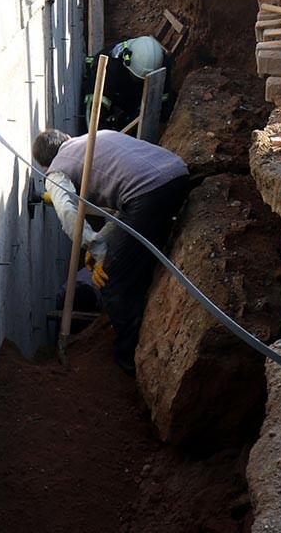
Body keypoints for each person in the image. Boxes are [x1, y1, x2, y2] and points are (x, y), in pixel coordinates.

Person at [32, 127, 190, 371]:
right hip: (177, 174)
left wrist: (97, 250)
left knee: (113, 279)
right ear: (66, 138)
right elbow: (124, 212)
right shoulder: (98, 135)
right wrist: (101, 240)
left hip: (148, 194)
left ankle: (127, 361)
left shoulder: (55, 171)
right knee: (135, 259)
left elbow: (67, 214)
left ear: (44, 166)